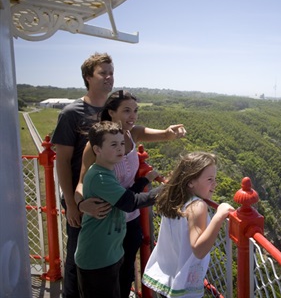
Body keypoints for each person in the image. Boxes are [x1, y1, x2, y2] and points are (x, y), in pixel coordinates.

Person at [75, 89, 187, 298]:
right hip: (106, 220)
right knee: (103, 279)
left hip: (129, 219)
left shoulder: (132, 133)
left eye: (135, 111)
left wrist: (171, 133)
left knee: (124, 275)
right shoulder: (96, 146)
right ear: (111, 112)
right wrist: (81, 205)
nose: (133, 116)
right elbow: (82, 182)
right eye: (126, 111)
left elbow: (165, 135)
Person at [51, 52, 114, 298]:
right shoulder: (71, 113)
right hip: (81, 199)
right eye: (103, 72)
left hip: (107, 196)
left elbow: (135, 131)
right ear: (88, 77)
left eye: (111, 72)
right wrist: (71, 204)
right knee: (77, 258)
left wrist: (165, 133)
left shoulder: (112, 110)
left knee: (106, 258)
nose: (109, 77)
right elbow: (63, 160)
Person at [76, 121, 163, 298]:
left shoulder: (106, 172)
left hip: (109, 253)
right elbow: (129, 202)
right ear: (97, 150)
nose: (120, 149)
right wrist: (170, 189)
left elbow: (123, 196)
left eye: (122, 143)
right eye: (113, 144)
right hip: (97, 259)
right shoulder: (100, 177)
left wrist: (144, 181)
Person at [142, 152, 235, 297]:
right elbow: (198, 250)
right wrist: (219, 216)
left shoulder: (174, 199)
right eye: (210, 179)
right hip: (182, 284)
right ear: (190, 182)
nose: (215, 184)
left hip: (167, 276)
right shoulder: (197, 206)